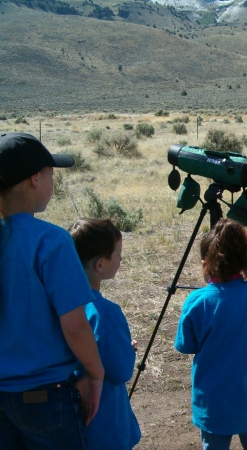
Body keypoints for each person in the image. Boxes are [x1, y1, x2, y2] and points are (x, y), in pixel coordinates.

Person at [0, 132, 104, 449]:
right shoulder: (51, 241)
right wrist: (95, 373)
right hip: (47, 395)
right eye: (50, 174)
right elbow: (75, 324)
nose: (51, 182)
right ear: (35, 179)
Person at [174, 218, 247, 450]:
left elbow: (185, 345)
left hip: (212, 403)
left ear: (205, 263)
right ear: (245, 259)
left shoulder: (196, 301)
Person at [68, 218, 141, 450]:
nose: (120, 259)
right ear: (100, 264)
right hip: (104, 421)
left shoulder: (60, 305)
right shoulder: (105, 314)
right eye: (117, 254)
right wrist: (127, 350)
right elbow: (121, 370)